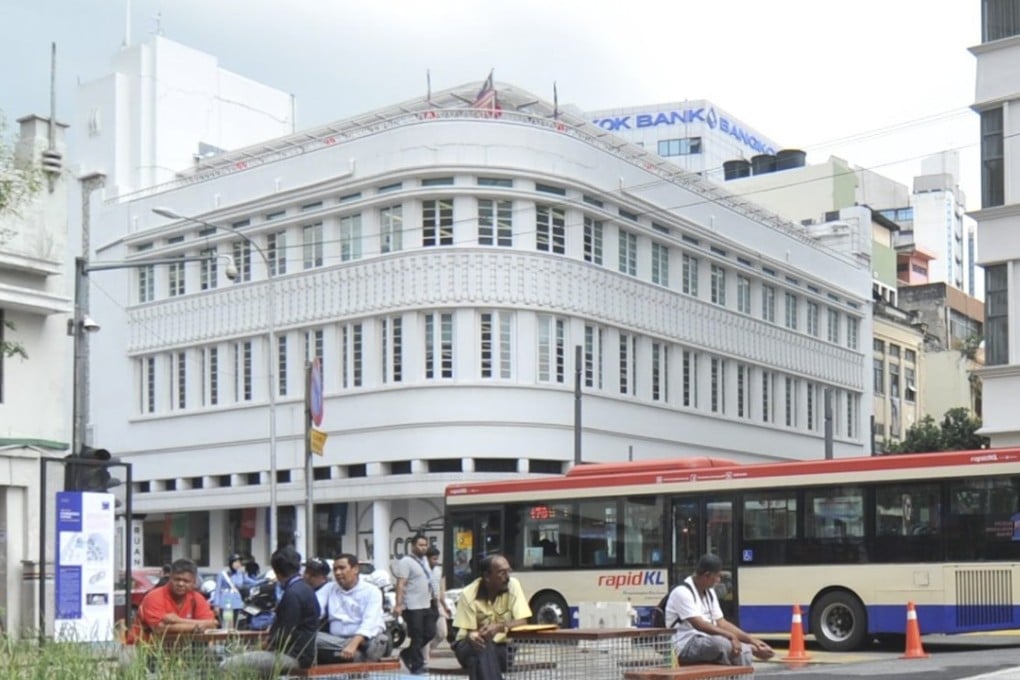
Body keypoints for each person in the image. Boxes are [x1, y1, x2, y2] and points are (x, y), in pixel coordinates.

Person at [221, 546, 320, 678]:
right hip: (304, 654)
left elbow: (281, 635)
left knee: (227, 665)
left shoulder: (292, 594)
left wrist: (260, 646)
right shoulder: (305, 588)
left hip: (292, 656)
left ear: (276, 570)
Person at [664, 554, 774, 667]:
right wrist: (731, 636)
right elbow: (699, 625)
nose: (718, 580)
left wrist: (751, 640)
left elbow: (722, 623)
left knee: (733, 646)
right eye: (717, 576)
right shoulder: (682, 592)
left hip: (706, 639)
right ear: (707, 575)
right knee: (721, 644)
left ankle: (746, 658)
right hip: (685, 645)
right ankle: (750, 651)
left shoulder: (709, 592)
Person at [451, 554, 531, 680]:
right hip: (467, 646)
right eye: (501, 573)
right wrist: (474, 635)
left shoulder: (513, 585)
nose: (507, 577)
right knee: (482, 643)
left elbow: (523, 621)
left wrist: (499, 627)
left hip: (503, 649)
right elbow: (468, 632)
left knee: (477, 659)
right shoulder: (469, 594)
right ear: (487, 576)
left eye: (508, 571)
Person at [316, 553, 389, 663]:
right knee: (308, 637)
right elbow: (316, 608)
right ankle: (357, 653)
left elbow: (369, 623)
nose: (337, 573)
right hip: (336, 640)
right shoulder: (329, 588)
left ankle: (357, 651)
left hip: (365, 639)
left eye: (342, 568)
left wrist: (354, 644)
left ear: (355, 569)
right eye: (335, 569)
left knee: (378, 640)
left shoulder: (372, 591)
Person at [134, 558, 219, 641]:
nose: (180, 584)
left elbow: (212, 624)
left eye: (186, 581)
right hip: (149, 650)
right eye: (177, 579)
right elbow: (160, 629)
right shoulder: (154, 597)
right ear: (170, 578)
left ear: (194, 582)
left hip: (187, 650)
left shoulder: (197, 598)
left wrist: (177, 620)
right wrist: (198, 626)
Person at [394, 534, 438, 675]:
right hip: (413, 605)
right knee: (417, 636)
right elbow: (401, 583)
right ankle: (417, 666)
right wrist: (398, 604)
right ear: (413, 546)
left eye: (425, 545)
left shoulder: (425, 560)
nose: (423, 548)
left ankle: (407, 654)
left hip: (427, 604)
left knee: (430, 632)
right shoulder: (406, 562)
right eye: (420, 545)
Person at [210, 553, 257, 628]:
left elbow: (254, 582)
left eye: (239, 562)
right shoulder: (223, 574)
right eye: (236, 562)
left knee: (235, 625)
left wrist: (267, 580)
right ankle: (225, 638)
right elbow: (217, 590)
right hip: (227, 602)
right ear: (231, 563)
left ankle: (233, 639)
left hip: (236, 602)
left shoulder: (241, 574)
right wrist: (216, 605)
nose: (238, 564)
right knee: (227, 623)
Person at [424, 546, 451, 662]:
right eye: (434, 559)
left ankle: (427, 650)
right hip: (425, 604)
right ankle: (424, 659)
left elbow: (441, 591)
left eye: (437, 559)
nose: (436, 561)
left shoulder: (439, 571)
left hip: (437, 604)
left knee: (442, 633)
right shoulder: (422, 570)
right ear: (427, 558)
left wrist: (445, 606)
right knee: (428, 632)